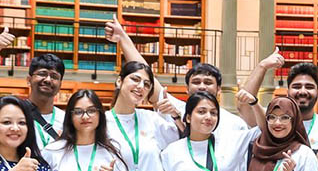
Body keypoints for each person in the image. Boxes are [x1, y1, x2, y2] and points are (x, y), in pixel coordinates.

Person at [105, 18, 251, 142]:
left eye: (208, 82)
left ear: (219, 89)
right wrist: (123, 38)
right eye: (196, 82)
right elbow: (145, 73)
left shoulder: (234, 123)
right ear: (187, 89)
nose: (202, 86)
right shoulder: (173, 108)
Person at [0, 27, 65, 145]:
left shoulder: (67, 120)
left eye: (54, 76)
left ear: (60, 84)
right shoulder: (7, 110)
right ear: (29, 80)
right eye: (42, 74)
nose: (48, 79)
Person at [109, 61, 177, 171]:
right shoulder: (103, 122)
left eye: (146, 84)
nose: (141, 87)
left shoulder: (151, 119)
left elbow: (183, 140)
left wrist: (175, 115)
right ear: (119, 81)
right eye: (135, 79)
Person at [287, 62, 318, 148]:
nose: (303, 92)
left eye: (309, 87)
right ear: (288, 91)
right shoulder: (275, 125)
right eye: (297, 87)